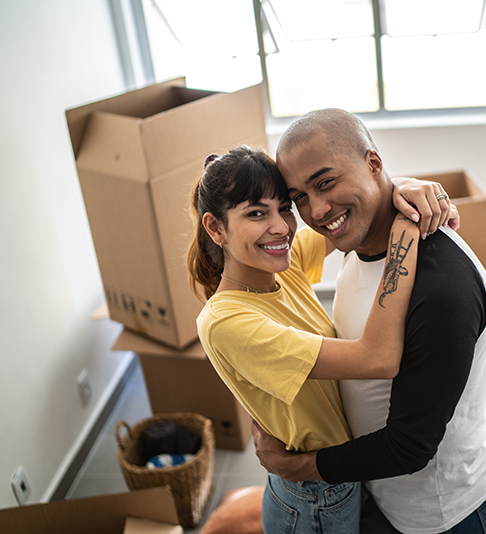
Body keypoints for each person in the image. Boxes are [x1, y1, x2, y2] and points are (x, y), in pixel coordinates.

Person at [252, 109, 486, 534]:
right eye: (299, 197)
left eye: (326, 182)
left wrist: (297, 467)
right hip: (382, 495)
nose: (317, 210)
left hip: (440, 514)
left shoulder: (442, 289)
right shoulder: (362, 236)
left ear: (373, 164)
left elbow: (409, 447)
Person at [186, 145, 455, 533]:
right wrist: (407, 228)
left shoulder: (282, 265)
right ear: (216, 228)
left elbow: (356, 216)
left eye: (285, 208)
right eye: (257, 214)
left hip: (338, 475)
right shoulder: (225, 321)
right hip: (313, 497)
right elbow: (377, 358)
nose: (281, 227)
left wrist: (404, 188)